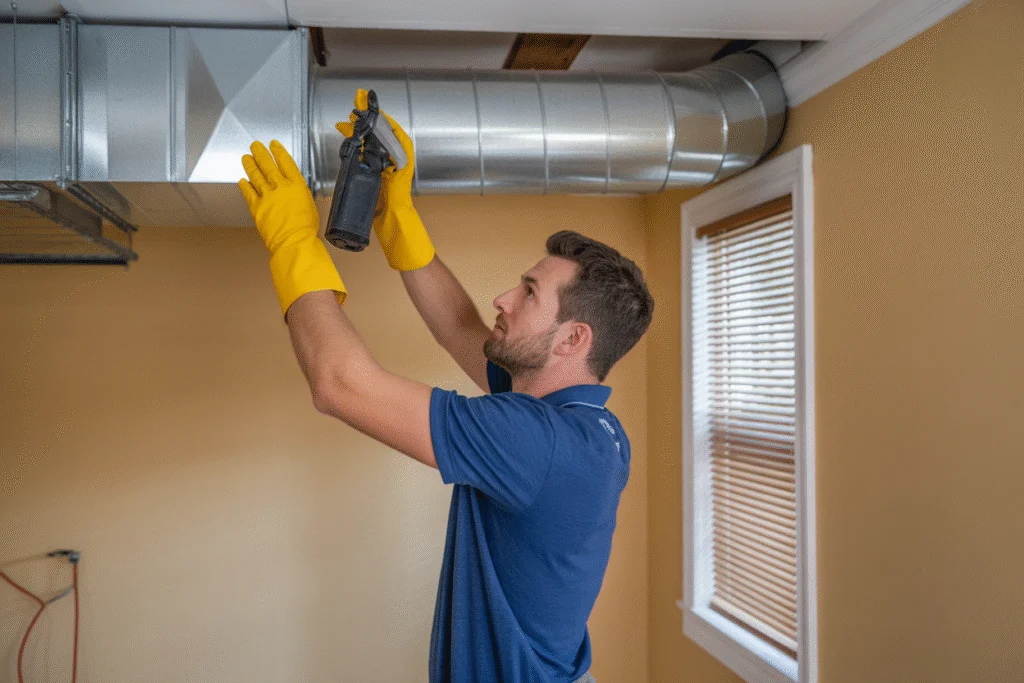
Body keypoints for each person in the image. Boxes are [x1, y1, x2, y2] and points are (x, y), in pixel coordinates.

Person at [238, 89, 654, 683]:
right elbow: (464, 330)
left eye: (529, 293)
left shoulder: (537, 442)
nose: (503, 300)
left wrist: (292, 246)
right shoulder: (587, 424)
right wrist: (399, 221)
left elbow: (340, 384)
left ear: (572, 340)